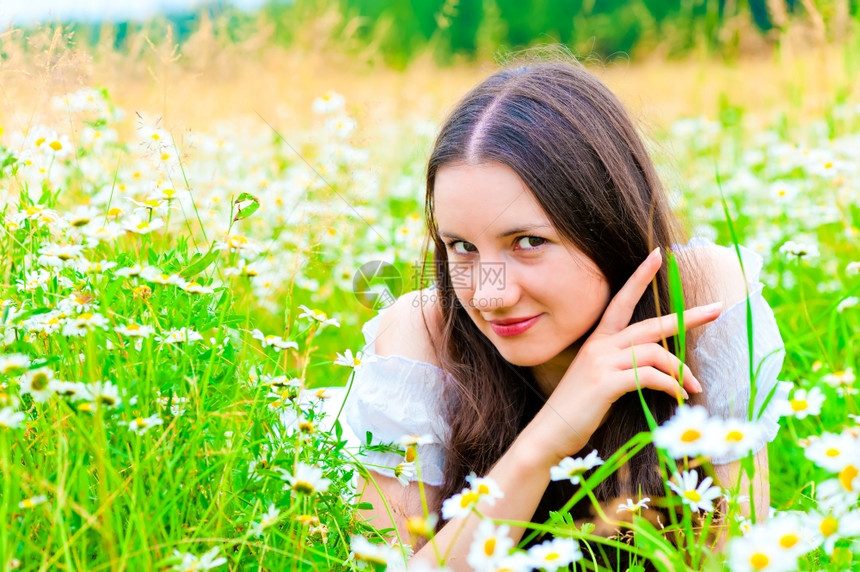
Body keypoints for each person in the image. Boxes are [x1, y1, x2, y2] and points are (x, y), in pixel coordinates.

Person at [343, 59, 785, 569]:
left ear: (608, 222)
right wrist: (550, 437)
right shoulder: (421, 340)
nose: (489, 295)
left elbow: (736, 553)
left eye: (528, 242)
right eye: (461, 246)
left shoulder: (703, 301)